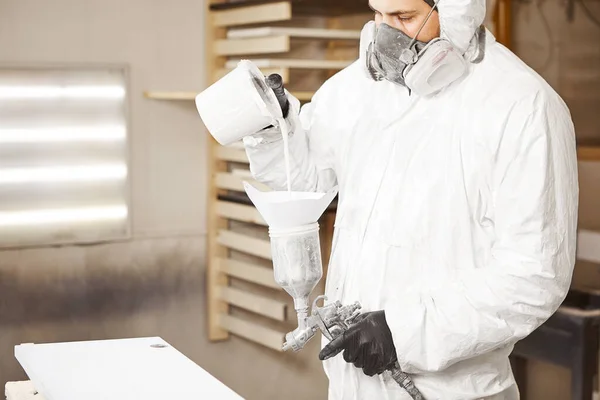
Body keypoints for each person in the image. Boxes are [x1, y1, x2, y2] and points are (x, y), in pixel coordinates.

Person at [242, 0, 579, 398]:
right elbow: (304, 181)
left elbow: (534, 276)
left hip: (453, 390)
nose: (385, 33)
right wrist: (274, 126)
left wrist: (403, 332)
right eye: (379, 15)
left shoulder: (523, 106)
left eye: (404, 18)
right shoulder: (359, 88)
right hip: (352, 384)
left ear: (456, 11)